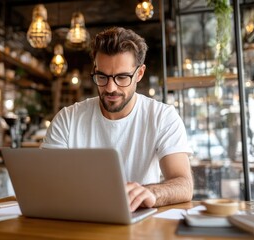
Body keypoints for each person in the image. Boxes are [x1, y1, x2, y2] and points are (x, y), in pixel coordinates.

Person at [41, 27, 193, 211]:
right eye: (102, 76)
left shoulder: (162, 117)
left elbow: (184, 184)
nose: (111, 88)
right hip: (79, 221)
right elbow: (46, 182)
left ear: (139, 73)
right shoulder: (68, 119)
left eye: (122, 77)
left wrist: (152, 193)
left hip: (139, 223)